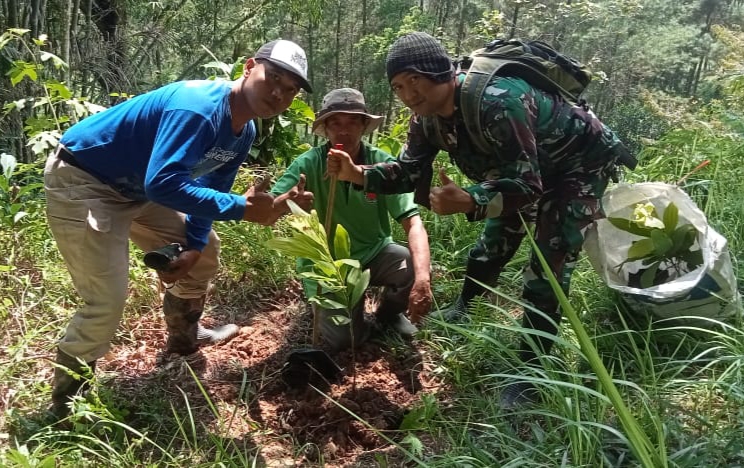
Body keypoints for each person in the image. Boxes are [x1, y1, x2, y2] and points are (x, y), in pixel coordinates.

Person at [327, 32, 632, 407]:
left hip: (577, 166)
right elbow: (408, 172)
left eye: (414, 80)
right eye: (398, 87)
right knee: (493, 243)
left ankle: (531, 372)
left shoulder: (498, 100)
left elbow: (528, 186)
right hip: (522, 169)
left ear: (438, 70)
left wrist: (472, 198)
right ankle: (466, 307)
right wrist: (358, 174)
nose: (408, 94)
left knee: (547, 265)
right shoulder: (426, 120)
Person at [44, 39, 314, 417]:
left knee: (205, 252)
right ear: (249, 66)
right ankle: (66, 405)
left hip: (137, 188)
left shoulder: (245, 132)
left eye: (291, 89)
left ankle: (184, 336)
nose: (278, 93)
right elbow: (163, 184)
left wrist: (195, 244)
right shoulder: (199, 108)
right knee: (106, 299)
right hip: (85, 178)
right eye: (274, 78)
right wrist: (242, 208)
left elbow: (213, 187)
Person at [271, 88, 432, 351]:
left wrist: (423, 277)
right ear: (325, 128)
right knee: (344, 341)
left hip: (374, 252)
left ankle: (388, 315)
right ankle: (353, 320)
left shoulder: (382, 164)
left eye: (353, 122)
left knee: (411, 265)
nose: (343, 131)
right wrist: (287, 203)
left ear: (364, 126)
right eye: (335, 123)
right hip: (327, 264)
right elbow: (270, 208)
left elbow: (413, 222)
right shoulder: (307, 164)